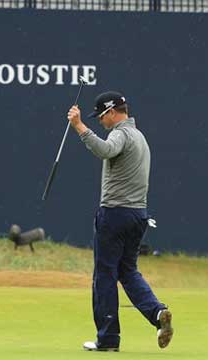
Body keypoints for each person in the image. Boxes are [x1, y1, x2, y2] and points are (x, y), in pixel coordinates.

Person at [66, 91, 174, 352]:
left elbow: (105, 150)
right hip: (138, 216)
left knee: (104, 275)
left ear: (112, 112)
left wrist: (80, 126)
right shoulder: (139, 136)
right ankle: (158, 313)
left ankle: (107, 339)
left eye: (101, 116)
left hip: (115, 214)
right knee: (127, 271)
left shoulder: (120, 134)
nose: (101, 121)